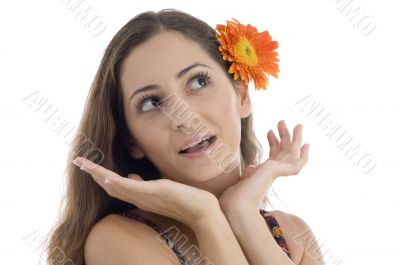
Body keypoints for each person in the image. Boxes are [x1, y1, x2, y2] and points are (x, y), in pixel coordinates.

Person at [45, 8, 324, 265]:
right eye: (151, 102)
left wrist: (242, 215)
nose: (183, 117)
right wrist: (205, 216)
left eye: (198, 82)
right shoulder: (118, 240)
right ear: (132, 142)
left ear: (241, 95)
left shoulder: (293, 235)